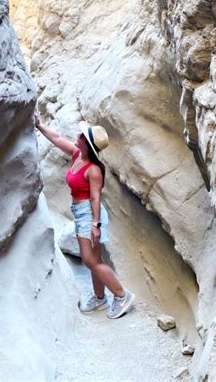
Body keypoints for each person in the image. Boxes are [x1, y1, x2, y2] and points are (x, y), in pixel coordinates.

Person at [36, 115, 135, 319]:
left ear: (87, 144)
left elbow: (96, 198)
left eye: (81, 135)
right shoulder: (76, 154)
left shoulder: (93, 170)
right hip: (81, 213)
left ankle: (121, 295)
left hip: (89, 215)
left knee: (90, 261)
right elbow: (56, 138)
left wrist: (95, 225)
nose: (78, 136)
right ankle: (99, 299)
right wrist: (39, 125)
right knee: (95, 258)